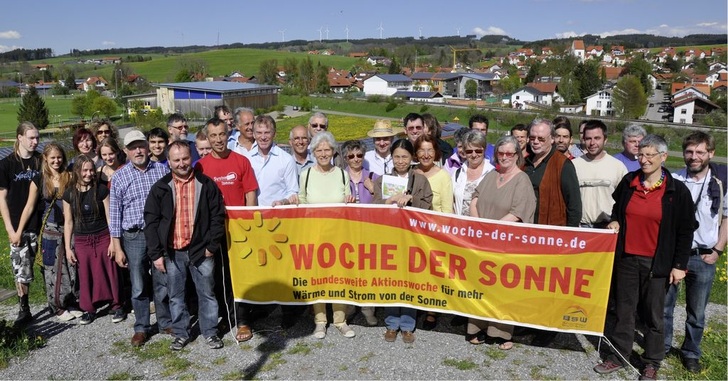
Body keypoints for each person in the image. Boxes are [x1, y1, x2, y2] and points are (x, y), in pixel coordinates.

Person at [594, 134, 695, 381]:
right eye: (641, 154)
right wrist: (615, 221)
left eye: (650, 155)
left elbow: (685, 231)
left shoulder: (676, 190)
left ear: (663, 157)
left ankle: (651, 362)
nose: (644, 159)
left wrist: (679, 265)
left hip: (657, 263)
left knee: (653, 315)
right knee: (624, 311)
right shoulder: (629, 181)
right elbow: (617, 211)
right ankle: (619, 355)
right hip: (627, 258)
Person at [144, 141, 226, 351]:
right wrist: (156, 254)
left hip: (201, 251)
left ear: (192, 157)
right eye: (176, 160)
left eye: (185, 158)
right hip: (173, 252)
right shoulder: (161, 188)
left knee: (207, 293)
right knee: (176, 296)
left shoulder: (206, 184)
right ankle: (181, 333)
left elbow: (218, 216)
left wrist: (211, 246)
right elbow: (151, 222)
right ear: (169, 162)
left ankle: (210, 332)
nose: (182, 164)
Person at [664, 131, 727, 373]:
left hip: (703, 256)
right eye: (689, 152)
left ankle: (691, 353)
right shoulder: (673, 178)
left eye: (700, 152)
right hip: (673, 255)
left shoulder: (721, 182)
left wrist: (718, 250)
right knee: (664, 307)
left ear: (710, 153)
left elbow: (727, 218)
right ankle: (663, 346)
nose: (694, 156)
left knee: (697, 312)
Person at [468, 135, 536, 350]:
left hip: (506, 244)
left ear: (517, 155)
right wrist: (479, 225)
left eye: (509, 153)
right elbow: (475, 199)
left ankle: (502, 334)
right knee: (480, 286)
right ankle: (476, 327)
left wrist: (491, 229)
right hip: (483, 241)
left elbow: (518, 213)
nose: (505, 157)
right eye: (501, 153)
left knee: (503, 290)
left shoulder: (522, 180)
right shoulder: (491, 174)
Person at [195, 117, 259, 343]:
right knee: (216, 276)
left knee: (239, 276)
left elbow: (251, 194)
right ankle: (225, 316)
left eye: (222, 134)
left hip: (238, 229)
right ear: (208, 138)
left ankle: (243, 320)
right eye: (213, 136)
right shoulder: (200, 167)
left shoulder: (241, 161)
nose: (218, 139)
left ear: (228, 133)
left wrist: (249, 224)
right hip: (213, 232)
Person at [110, 129, 172, 347]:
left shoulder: (162, 171)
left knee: (162, 280)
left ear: (147, 147)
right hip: (134, 236)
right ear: (126, 151)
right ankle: (142, 327)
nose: (138, 150)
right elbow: (115, 213)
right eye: (133, 147)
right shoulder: (119, 176)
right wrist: (117, 246)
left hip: (158, 234)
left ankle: (165, 322)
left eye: (141, 146)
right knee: (138, 284)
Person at [372, 139, 433, 343]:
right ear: (392, 157)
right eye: (397, 156)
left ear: (412, 158)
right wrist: (388, 201)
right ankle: (391, 324)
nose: (400, 161)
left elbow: (428, 206)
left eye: (404, 156)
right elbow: (374, 206)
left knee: (409, 281)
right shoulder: (382, 180)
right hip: (389, 237)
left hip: (412, 238)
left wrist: (412, 200)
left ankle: (407, 325)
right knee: (391, 281)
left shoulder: (420, 180)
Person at [298, 131, 356, 339]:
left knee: (339, 278)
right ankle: (320, 321)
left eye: (327, 150)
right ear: (313, 152)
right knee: (317, 279)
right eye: (319, 150)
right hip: (314, 235)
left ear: (333, 151)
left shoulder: (342, 174)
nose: (323, 153)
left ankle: (340, 320)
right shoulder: (305, 175)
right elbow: (302, 204)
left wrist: (350, 202)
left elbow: (349, 203)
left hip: (338, 236)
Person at [15, 143, 81, 322]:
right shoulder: (39, 179)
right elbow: (29, 206)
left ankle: (72, 301)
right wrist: (19, 230)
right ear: (45, 158)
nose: (56, 161)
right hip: (50, 229)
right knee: (53, 269)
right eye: (52, 158)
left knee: (72, 264)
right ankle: (57, 306)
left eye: (59, 157)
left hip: (69, 226)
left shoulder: (69, 176)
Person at [63, 154, 124, 325]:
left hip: (103, 235)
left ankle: (117, 305)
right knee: (85, 274)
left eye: (91, 170)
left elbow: (110, 217)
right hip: (82, 240)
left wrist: (113, 241)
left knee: (110, 271)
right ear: (77, 171)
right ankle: (88, 309)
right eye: (85, 170)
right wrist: (68, 248)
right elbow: (68, 222)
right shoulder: (69, 194)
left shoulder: (102, 190)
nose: (89, 174)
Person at [0, 121, 42, 325]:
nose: (35, 142)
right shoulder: (6, 164)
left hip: (40, 221)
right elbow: (1, 199)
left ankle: (58, 300)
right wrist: (11, 230)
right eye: (31, 138)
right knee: (21, 268)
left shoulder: (41, 162)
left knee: (46, 264)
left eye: (37, 138)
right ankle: (24, 307)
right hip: (17, 225)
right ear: (20, 138)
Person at [414, 134, 453, 330]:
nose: (426, 154)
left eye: (430, 150)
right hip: (413, 234)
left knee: (432, 273)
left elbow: (447, 210)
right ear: (416, 153)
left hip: (434, 233)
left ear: (436, 152)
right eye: (422, 150)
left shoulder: (443, 176)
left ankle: (431, 310)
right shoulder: (412, 173)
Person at [523, 118, 581, 228]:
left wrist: (569, 234)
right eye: (532, 138)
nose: (535, 142)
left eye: (541, 139)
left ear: (552, 139)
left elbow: (574, 206)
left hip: (551, 232)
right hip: (525, 229)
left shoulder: (563, 165)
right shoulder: (524, 163)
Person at [572, 120, 628, 228]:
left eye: (597, 138)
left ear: (605, 140)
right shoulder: (573, 165)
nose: (592, 143)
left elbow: (625, 200)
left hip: (607, 227)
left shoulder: (617, 166)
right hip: (580, 227)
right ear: (583, 140)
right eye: (588, 139)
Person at [245, 115, 299, 207]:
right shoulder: (247, 159)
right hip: (254, 216)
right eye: (259, 133)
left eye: (267, 132)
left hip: (278, 216)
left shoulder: (286, 160)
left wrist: (282, 202)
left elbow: (293, 192)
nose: (263, 137)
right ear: (253, 134)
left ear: (274, 134)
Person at [452, 130, 495, 216]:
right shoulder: (457, 173)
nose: (474, 155)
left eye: (478, 151)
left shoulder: (493, 174)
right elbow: (451, 202)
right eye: (469, 151)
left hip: (482, 226)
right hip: (460, 226)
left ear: (485, 149)